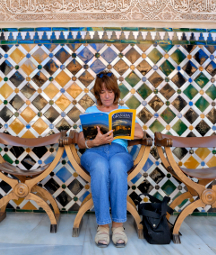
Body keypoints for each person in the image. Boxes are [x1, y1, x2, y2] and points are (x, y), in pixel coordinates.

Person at [77, 70, 144, 248]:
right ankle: (103, 226)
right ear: (98, 94)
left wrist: (120, 132)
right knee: (99, 166)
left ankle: (118, 226)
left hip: (118, 151)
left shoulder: (123, 111)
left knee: (116, 165)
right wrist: (95, 141)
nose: (106, 96)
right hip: (94, 152)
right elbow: (79, 141)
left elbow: (140, 133)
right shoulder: (90, 111)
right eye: (102, 92)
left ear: (115, 92)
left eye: (110, 91)